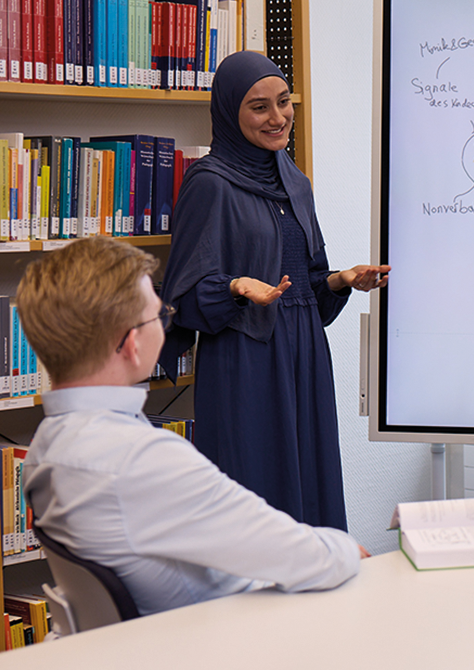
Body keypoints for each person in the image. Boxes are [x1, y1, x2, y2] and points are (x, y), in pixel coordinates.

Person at [20, 237, 367, 617]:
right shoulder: (141, 458)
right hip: (216, 636)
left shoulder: (44, 449)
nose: (166, 322)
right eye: (160, 314)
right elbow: (307, 558)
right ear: (133, 344)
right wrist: (349, 550)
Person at [161, 51, 389, 531]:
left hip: (305, 350)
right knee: (256, 489)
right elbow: (184, 298)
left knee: (311, 478)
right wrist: (236, 287)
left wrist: (342, 280)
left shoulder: (296, 182)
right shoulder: (210, 183)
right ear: (229, 112)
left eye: (284, 102)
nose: (278, 117)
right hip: (246, 359)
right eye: (259, 107)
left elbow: (305, 283)